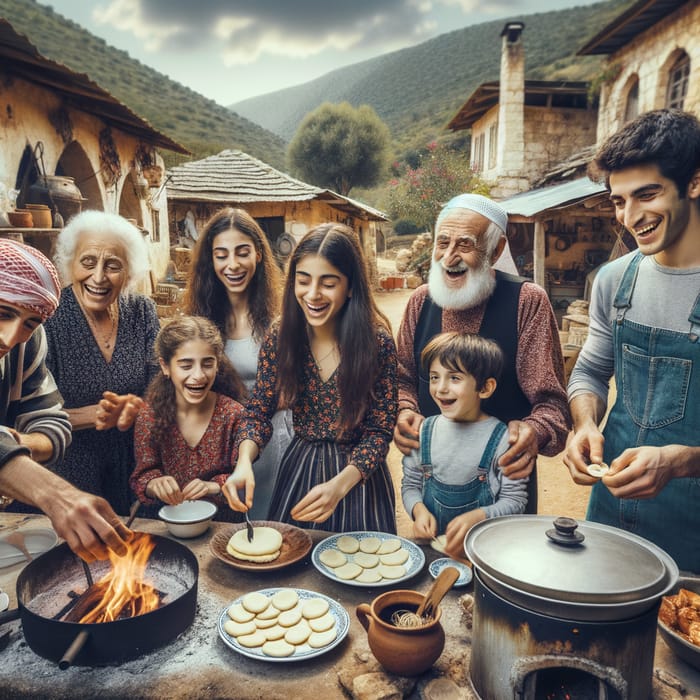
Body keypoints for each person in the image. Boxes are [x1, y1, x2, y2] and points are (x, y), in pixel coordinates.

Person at [394, 193, 570, 556]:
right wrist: (404, 408)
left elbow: (552, 406)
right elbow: (401, 379)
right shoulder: (420, 302)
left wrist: (533, 433)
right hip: (434, 474)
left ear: (496, 247)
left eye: (465, 245)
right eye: (442, 242)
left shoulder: (527, 301)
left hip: (502, 483)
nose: (449, 256)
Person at [564, 109, 700, 573]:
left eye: (647, 195)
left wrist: (682, 462)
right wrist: (584, 424)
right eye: (619, 201)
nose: (630, 217)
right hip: (611, 513)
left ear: (694, 182)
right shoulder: (613, 280)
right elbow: (589, 372)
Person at [224, 223, 398, 533]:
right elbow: (257, 413)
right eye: (303, 281)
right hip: (300, 470)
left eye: (328, 283)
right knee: (292, 567)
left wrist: (341, 485)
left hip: (358, 479)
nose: (313, 294)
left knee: (363, 570)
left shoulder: (377, 344)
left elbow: (380, 431)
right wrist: (243, 462)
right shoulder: (281, 337)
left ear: (351, 287)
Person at [0, 238, 130, 561]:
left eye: (30, 322)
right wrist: (56, 495)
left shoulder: (26, 344)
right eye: (3, 313)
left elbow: (53, 423)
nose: (10, 336)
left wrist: (15, 446)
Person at [43, 211, 160, 515]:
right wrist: (94, 415)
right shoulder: (48, 319)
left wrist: (138, 407)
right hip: (69, 471)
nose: (98, 277)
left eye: (113, 266)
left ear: (129, 271)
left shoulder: (142, 311)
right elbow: (29, 414)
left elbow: (160, 386)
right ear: (70, 263)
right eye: (88, 262)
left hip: (133, 466)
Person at [184, 207, 293, 519]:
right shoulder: (199, 319)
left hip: (276, 438)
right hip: (221, 441)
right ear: (210, 260)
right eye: (221, 254)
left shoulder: (282, 314)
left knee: (275, 529)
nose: (232, 264)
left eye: (242, 252)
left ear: (258, 254)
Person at [401, 332, 527, 549]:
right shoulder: (423, 432)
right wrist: (418, 510)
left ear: (485, 388)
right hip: (434, 551)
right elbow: (410, 485)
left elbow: (515, 501)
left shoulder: (502, 439)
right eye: (434, 377)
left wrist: (479, 516)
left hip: (484, 552)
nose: (441, 388)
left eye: (455, 378)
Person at [130, 316, 247, 520]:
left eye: (207, 364)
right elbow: (142, 476)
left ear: (218, 364)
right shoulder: (150, 414)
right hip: (167, 524)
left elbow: (242, 477)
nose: (199, 375)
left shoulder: (233, 414)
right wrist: (154, 484)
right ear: (165, 367)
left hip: (222, 524)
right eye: (186, 366)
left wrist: (213, 486)